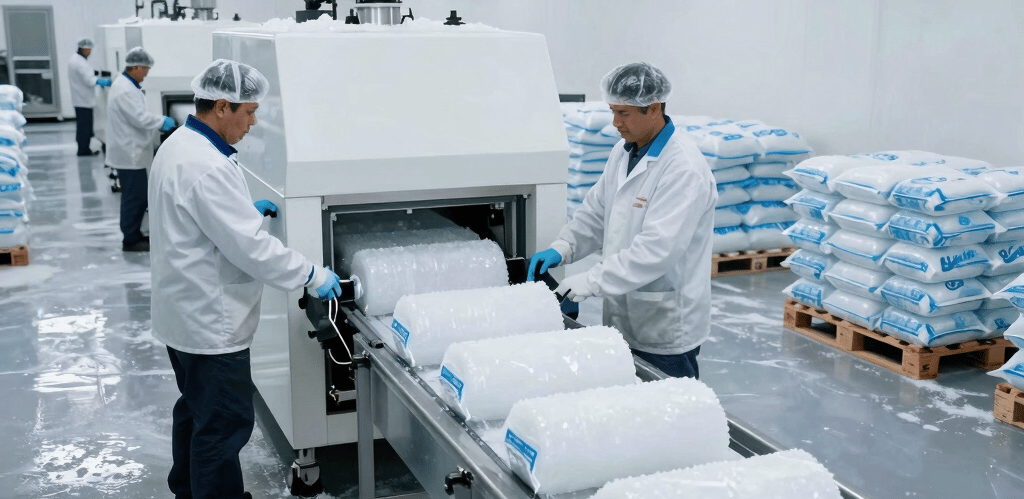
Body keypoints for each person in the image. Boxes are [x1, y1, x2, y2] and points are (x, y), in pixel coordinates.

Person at [149, 58, 343, 499]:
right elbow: (253, 252)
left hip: (180, 315)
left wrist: (239, 214)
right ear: (221, 106)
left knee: (194, 413)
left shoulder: (180, 144)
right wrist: (313, 275)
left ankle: (187, 490)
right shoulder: (208, 167)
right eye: (249, 112)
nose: (253, 123)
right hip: (208, 324)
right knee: (224, 425)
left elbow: (196, 217)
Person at [528, 62, 717, 379]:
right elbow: (597, 211)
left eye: (624, 113)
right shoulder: (623, 151)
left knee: (667, 412)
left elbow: (657, 250)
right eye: (613, 111)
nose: (615, 122)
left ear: (653, 108)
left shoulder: (683, 169)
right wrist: (564, 247)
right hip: (624, 313)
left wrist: (590, 281)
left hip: (665, 322)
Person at [106, 46, 175, 252]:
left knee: (134, 195)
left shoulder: (127, 85)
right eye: (145, 69)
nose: (146, 73)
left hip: (130, 150)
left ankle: (133, 233)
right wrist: (162, 120)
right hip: (130, 153)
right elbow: (139, 118)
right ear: (135, 67)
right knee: (134, 197)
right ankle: (131, 239)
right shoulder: (125, 89)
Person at [68, 38, 111, 156]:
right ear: (84, 49)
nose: (90, 53)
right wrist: (103, 81)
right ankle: (83, 150)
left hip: (80, 98)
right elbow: (89, 80)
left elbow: (85, 74)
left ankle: (83, 148)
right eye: (89, 50)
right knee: (85, 127)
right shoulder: (80, 62)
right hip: (83, 99)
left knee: (82, 126)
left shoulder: (75, 59)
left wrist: (94, 74)